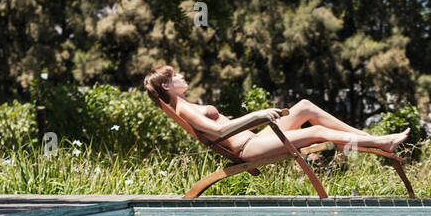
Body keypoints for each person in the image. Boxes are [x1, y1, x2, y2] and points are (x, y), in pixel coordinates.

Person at [143, 66, 408, 163]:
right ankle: (383, 142)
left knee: (304, 106)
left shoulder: (186, 105)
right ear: (166, 85)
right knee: (315, 132)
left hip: (255, 139)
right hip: (249, 147)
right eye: (175, 75)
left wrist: (257, 120)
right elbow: (220, 132)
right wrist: (258, 115)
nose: (181, 76)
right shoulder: (185, 108)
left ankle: (368, 137)